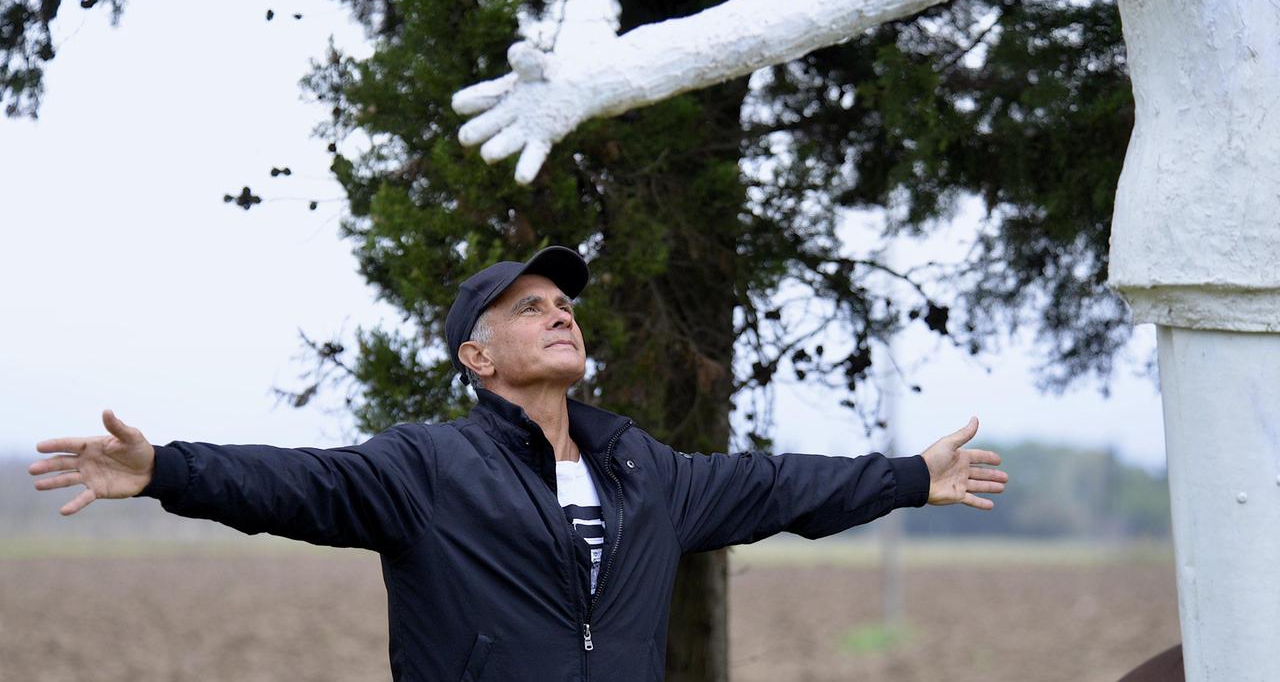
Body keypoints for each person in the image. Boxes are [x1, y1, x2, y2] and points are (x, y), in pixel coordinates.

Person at [29, 245, 1007, 681]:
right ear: (476, 355)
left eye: (565, 304)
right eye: (530, 306)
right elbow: (299, 483)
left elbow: (777, 486)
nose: (559, 313)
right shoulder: (425, 468)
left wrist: (910, 475)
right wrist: (165, 467)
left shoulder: (642, 469)